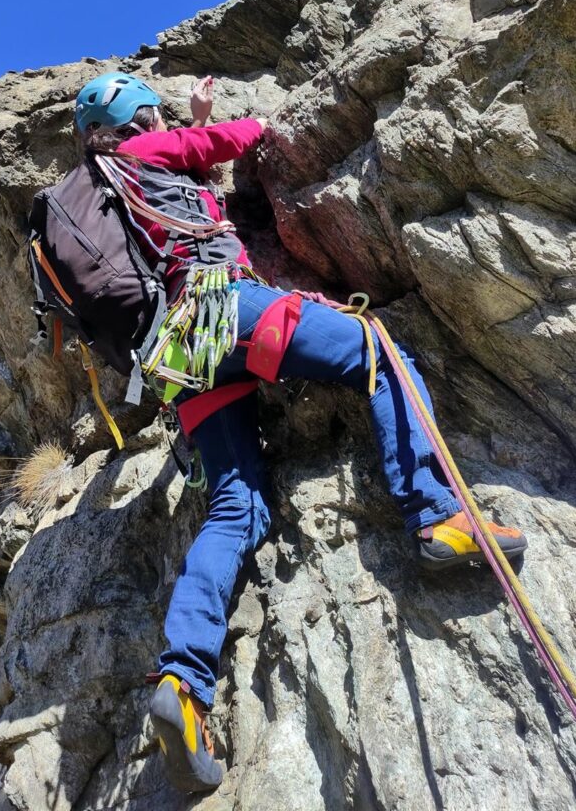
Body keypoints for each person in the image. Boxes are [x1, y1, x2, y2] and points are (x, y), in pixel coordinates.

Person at [73, 71, 528, 793]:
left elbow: (188, 179)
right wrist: (221, 126)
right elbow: (243, 138)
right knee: (376, 352)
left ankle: (183, 687)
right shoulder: (146, 151)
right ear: (137, 115)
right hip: (224, 310)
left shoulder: (90, 197)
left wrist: (193, 132)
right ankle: (437, 518)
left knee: (234, 508)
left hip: (179, 363)